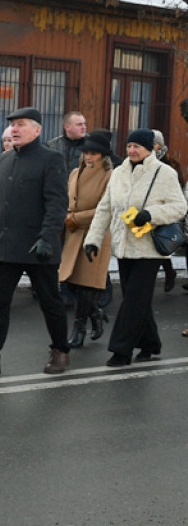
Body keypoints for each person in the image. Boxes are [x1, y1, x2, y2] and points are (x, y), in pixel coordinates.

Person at [0, 107, 70, 376]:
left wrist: (47, 238)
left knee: (50, 302)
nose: (14, 129)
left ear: (37, 130)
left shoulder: (52, 160)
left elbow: (56, 204)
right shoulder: (4, 160)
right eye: (12, 125)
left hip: (38, 247)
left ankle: (60, 350)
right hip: (5, 245)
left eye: (21, 124)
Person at [84, 128, 187, 366]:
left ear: (149, 149)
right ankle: (150, 343)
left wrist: (150, 214)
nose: (131, 150)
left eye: (137, 147)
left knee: (133, 301)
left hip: (149, 248)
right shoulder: (119, 173)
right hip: (123, 246)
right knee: (136, 299)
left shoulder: (164, 173)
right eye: (129, 146)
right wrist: (93, 239)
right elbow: (105, 208)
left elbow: (179, 207)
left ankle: (121, 350)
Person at [58, 130, 114, 348]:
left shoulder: (111, 176)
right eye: (86, 152)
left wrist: (74, 218)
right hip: (72, 233)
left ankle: (79, 329)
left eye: (94, 153)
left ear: (103, 156)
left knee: (86, 286)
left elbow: (105, 209)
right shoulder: (74, 173)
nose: (89, 157)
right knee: (69, 282)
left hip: (96, 235)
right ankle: (96, 313)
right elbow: (66, 199)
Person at [152, 130, 183, 293]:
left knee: (161, 242)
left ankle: (169, 272)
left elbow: (178, 188)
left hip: (165, 210)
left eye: (154, 144)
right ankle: (169, 271)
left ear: (161, 145)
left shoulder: (172, 165)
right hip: (147, 210)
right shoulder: (141, 162)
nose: (151, 147)